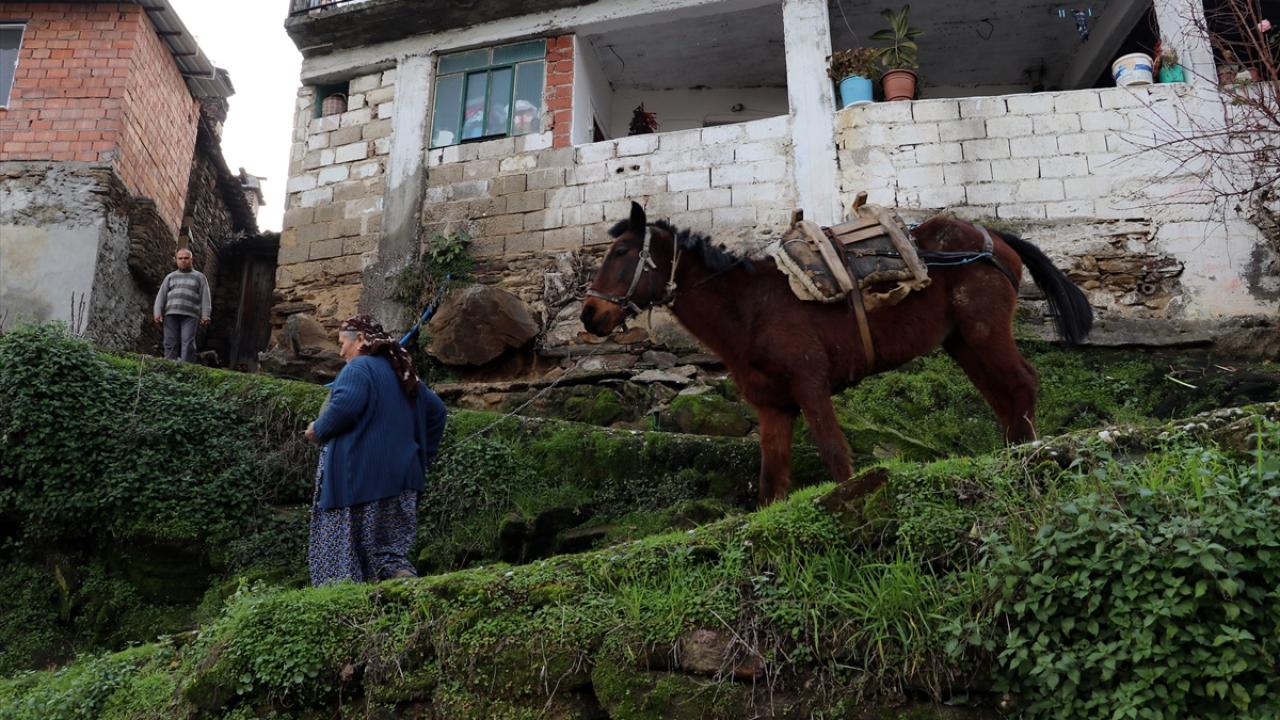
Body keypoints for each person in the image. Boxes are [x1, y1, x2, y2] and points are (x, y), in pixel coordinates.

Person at [304, 314, 447, 585]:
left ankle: (346, 603)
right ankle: (402, 591)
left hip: (358, 481)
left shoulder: (359, 368)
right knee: (388, 555)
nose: (341, 352)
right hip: (403, 478)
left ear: (360, 339)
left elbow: (345, 407)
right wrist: (422, 455)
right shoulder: (402, 373)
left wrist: (317, 429)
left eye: (342, 343)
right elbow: (438, 412)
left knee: (346, 561)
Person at [152, 248, 211, 362]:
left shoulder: (200, 277)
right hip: (171, 314)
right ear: (176, 260)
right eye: (180, 258)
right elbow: (161, 296)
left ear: (191, 260)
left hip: (190, 315)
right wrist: (157, 312)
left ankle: (185, 367)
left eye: (186, 258)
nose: (183, 260)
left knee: (187, 342)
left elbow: (205, 297)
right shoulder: (170, 277)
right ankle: (170, 364)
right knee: (170, 341)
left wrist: (205, 315)